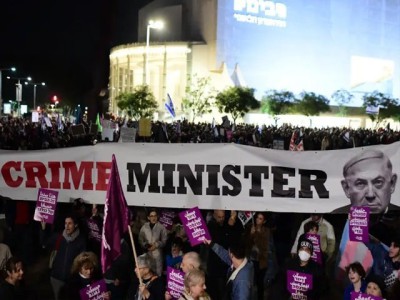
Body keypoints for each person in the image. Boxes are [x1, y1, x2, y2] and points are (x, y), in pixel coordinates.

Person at [332, 150, 398, 214]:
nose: (370, 195)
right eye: (360, 184)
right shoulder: (335, 216)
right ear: (346, 188)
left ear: (392, 184)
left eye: (378, 182)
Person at [50, 214, 87, 300]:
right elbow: (44, 242)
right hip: (56, 278)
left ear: (76, 225)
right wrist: (43, 229)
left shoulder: (81, 241)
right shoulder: (59, 237)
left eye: (70, 223)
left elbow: (82, 262)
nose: (67, 226)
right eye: (65, 223)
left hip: (71, 281)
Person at [243, 212, 276, 300]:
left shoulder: (267, 231)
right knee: (250, 283)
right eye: (257, 217)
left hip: (262, 261)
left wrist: (256, 234)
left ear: (264, 221)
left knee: (260, 284)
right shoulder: (250, 227)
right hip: (251, 260)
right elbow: (246, 244)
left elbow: (266, 246)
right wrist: (250, 234)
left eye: (260, 218)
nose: (257, 220)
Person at [139, 208, 168, 276]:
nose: (153, 218)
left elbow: (164, 240)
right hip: (147, 253)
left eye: (155, 216)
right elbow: (140, 239)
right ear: (148, 217)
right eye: (151, 216)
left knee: (158, 273)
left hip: (157, 254)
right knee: (148, 273)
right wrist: (145, 245)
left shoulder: (161, 227)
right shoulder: (144, 227)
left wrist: (156, 245)